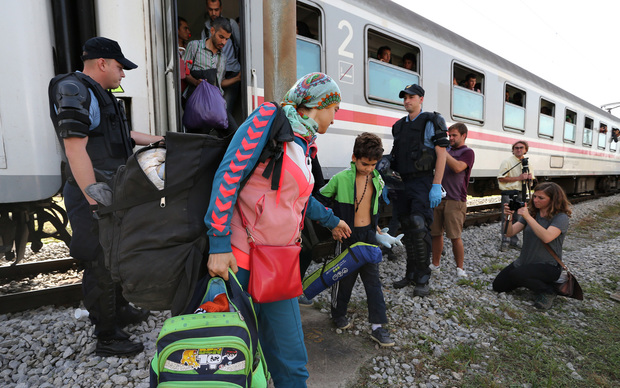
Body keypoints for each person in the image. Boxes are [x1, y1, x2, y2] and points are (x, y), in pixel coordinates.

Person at [204, 72, 351, 387]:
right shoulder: (268, 120)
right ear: (321, 103)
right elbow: (228, 175)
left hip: (277, 264)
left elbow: (298, 200)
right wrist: (218, 243)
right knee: (233, 359)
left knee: (291, 359)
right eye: (335, 110)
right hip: (239, 260)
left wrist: (331, 221)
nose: (335, 120)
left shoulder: (302, 145)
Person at [48, 37, 163, 356]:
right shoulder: (73, 89)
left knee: (114, 257)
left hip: (111, 190)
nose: (123, 73)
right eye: (119, 66)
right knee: (100, 262)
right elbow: (75, 147)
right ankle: (107, 336)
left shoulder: (98, 95)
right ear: (102, 63)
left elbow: (120, 135)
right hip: (92, 192)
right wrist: (94, 200)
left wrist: (163, 141)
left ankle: (120, 311)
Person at [320, 132, 395, 347]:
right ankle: (338, 312)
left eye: (373, 165)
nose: (369, 169)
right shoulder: (340, 179)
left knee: (373, 282)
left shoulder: (378, 180)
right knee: (344, 279)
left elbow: (372, 210)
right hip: (346, 236)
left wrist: (377, 229)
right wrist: (332, 224)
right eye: (365, 164)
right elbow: (319, 201)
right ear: (354, 157)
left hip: (369, 238)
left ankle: (378, 327)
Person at [389, 84, 449, 297]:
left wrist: (436, 184)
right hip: (402, 183)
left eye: (411, 97)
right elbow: (395, 156)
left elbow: (441, 154)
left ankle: (423, 277)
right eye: (404, 97)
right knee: (407, 227)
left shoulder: (432, 121)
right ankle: (410, 274)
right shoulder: (399, 126)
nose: (407, 100)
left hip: (423, 182)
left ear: (421, 99)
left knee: (418, 225)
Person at [492, 182, 572, 310]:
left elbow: (547, 237)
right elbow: (509, 232)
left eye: (541, 198)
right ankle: (528, 279)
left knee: (517, 275)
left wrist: (528, 217)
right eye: (535, 196)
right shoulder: (532, 213)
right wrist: (509, 217)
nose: (535, 200)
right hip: (525, 261)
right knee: (499, 286)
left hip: (548, 266)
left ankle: (548, 291)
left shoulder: (561, 218)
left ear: (553, 200)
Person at [429, 123, 475, 278]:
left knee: (455, 236)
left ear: (464, 135)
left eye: (454, 135)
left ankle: (460, 268)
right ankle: (435, 264)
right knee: (436, 234)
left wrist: (442, 152)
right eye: (450, 135)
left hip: (456, 200)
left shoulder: (468, 152)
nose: (451, 138)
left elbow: (457, 168)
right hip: (439, 198)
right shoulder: (447, 150)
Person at [201, 0, 241, 117]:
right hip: (215, 74)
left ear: (221, 8)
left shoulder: (231, 24)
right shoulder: (205, 29)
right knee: (212, 111)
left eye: (216, 9)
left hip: (232, 72)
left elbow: (241, 45)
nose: (213, 13)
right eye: (210, 9)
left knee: (225, 111)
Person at [497, 141, 535, 251]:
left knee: (518, 218)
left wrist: (529, 179)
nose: (518, 150)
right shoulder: (507, 162)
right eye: (516, 148)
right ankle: (505, 241)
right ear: (513, 150)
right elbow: (501, 178)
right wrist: (519, 178)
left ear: (525, 150)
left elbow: (531, 179)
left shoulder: (528, 163)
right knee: (507, 217)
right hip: (509, 193)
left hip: (521, 193)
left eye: (521, 148)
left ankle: (514, 241)